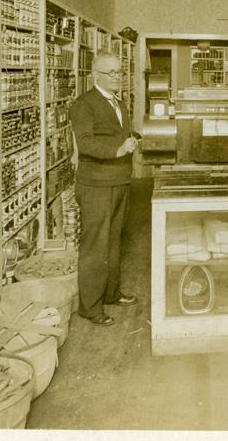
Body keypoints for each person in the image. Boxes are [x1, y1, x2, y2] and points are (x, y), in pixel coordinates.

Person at [70, 53, 140, 326]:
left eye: (119, 72)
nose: (117, 77)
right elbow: (86, 143)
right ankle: (90, 306)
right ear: (95, 75)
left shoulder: (119, 103)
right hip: (96, 184)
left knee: (113, 241)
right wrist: (117, 150)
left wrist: (131, 140)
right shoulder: (84, 104)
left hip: (119, 180)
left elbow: (116, 135)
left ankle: (110, 293)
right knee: (95, 246)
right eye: (110, 72)